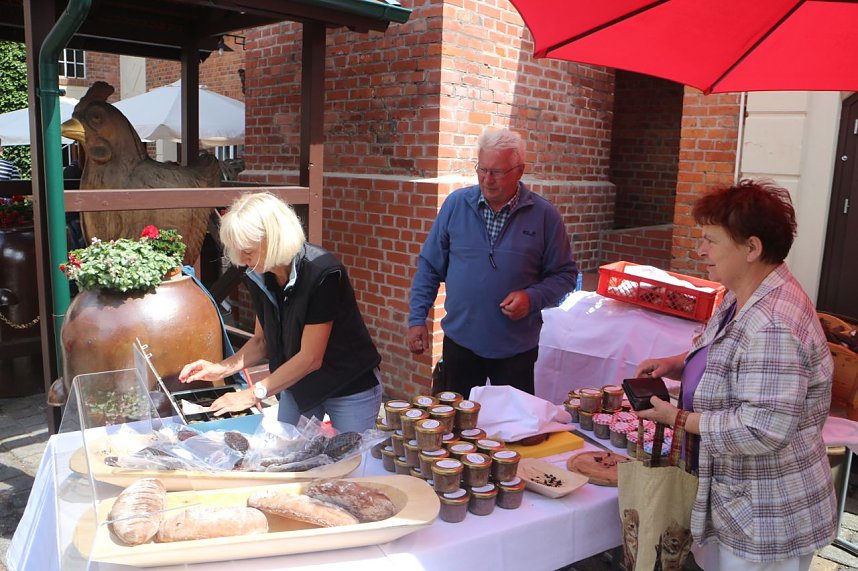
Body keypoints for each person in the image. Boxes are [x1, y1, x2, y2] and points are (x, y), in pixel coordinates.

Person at [634, 179, 836, 571]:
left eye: (710, 239)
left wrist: (677, 419)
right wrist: (679, 363)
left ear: (751, 248)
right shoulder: (739, 294)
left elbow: (762, 429)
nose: (700, 250)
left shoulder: (773, 323)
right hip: (744, 503)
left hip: (768, 515)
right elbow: (727, 353)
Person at [178, 192, 383, 433]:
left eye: (248, 251)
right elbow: (262, 341)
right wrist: (221, 368)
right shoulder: (258, 272)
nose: (243, 260)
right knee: (289, 454)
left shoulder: (324, 273)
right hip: (298, 383)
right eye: (239, 251)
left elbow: (310, 358)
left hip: (348, 383)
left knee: (353, 461)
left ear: (274, 238)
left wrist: (253, 394)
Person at [407, 127, 577, 396]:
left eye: (496, 172)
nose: (487, 179)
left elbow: (565, 275)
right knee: (456, 429)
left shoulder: (545, 215)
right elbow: (429, 266)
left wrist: (532, 298)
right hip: (461, 344)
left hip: (515, 350)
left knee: (512, 431)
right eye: (481, 169)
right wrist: (417, 318)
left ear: (519, 171)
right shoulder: (456, 205)